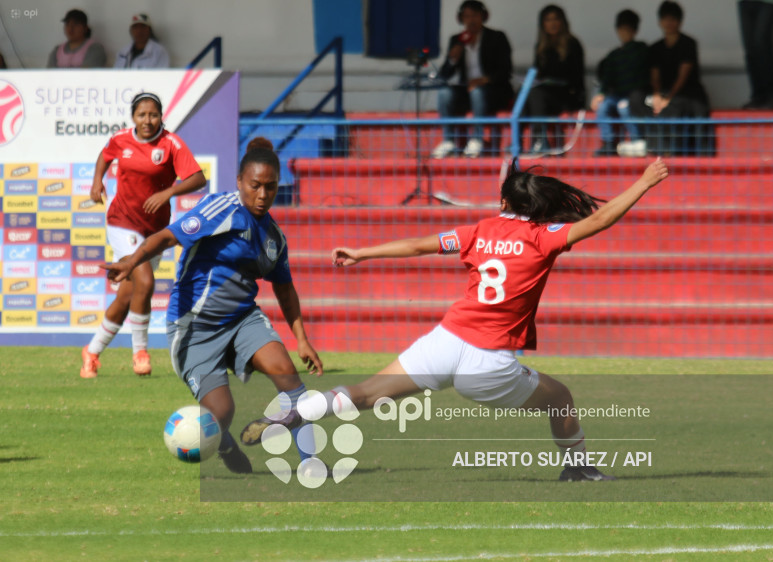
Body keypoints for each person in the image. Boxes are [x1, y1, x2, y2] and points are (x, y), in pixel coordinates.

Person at [242, 158, 670, 482]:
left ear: (503, 203)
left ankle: (298, 412)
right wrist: (645, 182)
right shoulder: (544, 238)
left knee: (369, 393)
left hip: (445, 341)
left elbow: (416, 246)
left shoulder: (478, 231)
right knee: (560, 397)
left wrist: (363, 252)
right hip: (489, 363)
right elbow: (600, 218)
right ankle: (578, 470)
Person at [102, 138, 324, 474]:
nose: (262, 195)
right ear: (239, 182)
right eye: (255, 186)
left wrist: (302, 339)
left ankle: (313, 465)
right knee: (221, 414)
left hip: (242, 320)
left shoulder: (274, 237)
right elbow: (166, 237)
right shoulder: (221, 210)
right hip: (194, 327)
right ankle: (223, 442)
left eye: (271, 187)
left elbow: (285, 288)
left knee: (290, 379)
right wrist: (131, 262)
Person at [80, 92, 206, 379]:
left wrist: (169, 191)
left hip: (153, 229)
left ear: (161, 116)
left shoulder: (171, 143)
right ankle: (140, 352)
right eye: (141, 115)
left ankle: (92, 352)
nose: (147, 120)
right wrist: (97, 180)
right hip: (122, 222)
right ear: (133, 117)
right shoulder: (122, 139)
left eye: (153, 114)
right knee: (145, 280)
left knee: (128, 295)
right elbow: (105, 155)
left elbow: (198, 178)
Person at [430, 0, 514, 159]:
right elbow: (445, 75)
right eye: (467, 16)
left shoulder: (496, 37)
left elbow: (505, 71)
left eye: (474, 15)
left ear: (483, 16)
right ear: (461, 19)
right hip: (467, 91)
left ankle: (477, 139)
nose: (471, 20)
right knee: (444, 93)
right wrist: (452, 59)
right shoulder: (457, 39)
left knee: (477, 91)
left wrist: (483, 80)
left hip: (493, 91)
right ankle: (448, 141)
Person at [628, 1, 713, 156]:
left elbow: (683, 75)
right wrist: (657, 95)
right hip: (663, 91)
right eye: (665, 19)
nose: (669, 23)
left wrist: (668, 98)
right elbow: (655, 76)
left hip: (688, 92)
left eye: (673, 19)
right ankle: (646, 145)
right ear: (660, 22)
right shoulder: (655, 48)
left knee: (680, 109)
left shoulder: (688, 44)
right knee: (637, 99)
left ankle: (680, 153)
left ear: (680, 21)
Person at [520, 5, 585, 154]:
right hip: (545, 94)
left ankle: (539, 139)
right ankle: (521, 140)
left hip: (566, 95)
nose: (553, 23)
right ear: (543, 24)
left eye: (556, 19)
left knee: (536, 93)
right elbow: (537, 71)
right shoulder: (541, 46)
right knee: (526, 90)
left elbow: (575, 77)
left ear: (562, 22)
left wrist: (551, 80)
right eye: (548, 20)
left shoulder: (572, 44)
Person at [591, 10, 649, 157]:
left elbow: (646, 76)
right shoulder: (614, 55)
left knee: (624, 107)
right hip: (617, 94)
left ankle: (637, 142)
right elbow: (607, 78)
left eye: (628, 29)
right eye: (622, 29)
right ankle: (608, 143)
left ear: (635, 30)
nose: (624, 33)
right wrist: (600, 94)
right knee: (603, 106)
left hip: (634, 96)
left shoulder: (641, 50)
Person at [738, 0, 773, 110]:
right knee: (750, 48)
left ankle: (772, 95)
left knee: (762, 44)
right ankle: (758, 96)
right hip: (745, 2)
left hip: (771, 2)